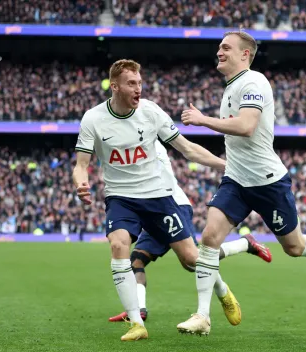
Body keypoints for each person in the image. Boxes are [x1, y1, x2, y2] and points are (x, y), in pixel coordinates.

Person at [177, 31, 306, 336]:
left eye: (226, 47)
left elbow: (247, 127)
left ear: (245, 54)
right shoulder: (232, 86)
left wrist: (203, 119)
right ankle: (202, 316)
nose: (219, 51)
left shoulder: (254, 82)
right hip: (236, 179)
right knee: (209, 238)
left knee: (295, 247)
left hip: (267, 182)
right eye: (219, 47)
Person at [73, 59, 241, 341]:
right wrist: (81, 181)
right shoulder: (93, 118)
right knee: (118, 245)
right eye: (131, 83)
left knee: (190, 259)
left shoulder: (150, 112)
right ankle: (137, 323)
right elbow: (81, 164)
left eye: (140, 83)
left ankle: (223, 290)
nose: (138, 88)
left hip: (158, 196)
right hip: (120, 197)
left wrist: (224, 165)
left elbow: (186, 148)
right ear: (114, 86)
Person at [108, 140, 273, 323]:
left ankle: (239, 255)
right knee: (136, 261)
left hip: (171, 205)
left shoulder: (147, 141)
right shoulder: (127, 140)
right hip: (150, 210)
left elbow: (186, 151)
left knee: (192, 260)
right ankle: (139, 310)